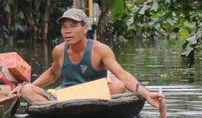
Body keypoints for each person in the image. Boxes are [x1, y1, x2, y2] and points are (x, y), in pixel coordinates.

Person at [19, 7, 165, 109]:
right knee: (27, 90)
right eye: (64, 27)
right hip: (66, 97)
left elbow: (122, 74)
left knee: (117, 85)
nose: (68, 31)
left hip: (94, 97)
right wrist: (28, 86)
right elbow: (52, 73)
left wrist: (146, 94)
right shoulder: (59, 50)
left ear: (85, 28)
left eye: (73, 26)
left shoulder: (100, 50)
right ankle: (60, 110)